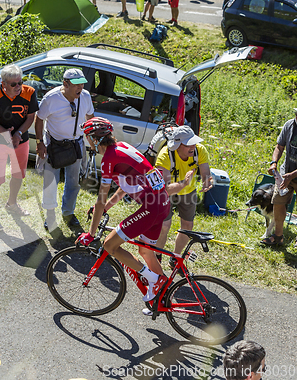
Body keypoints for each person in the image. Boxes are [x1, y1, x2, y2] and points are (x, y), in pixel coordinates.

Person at [76, 117, 170, 310]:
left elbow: (100, 199)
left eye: (88, 137)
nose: (87, 141)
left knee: (109, 244)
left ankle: (154, 280)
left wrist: (91, 234)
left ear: (95, 139)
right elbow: (126, 186)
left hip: (151, 208)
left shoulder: (108, 159)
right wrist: (107, 208)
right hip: (163, 203)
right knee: (145, 251)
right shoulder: (122, 147)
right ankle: (163, 299)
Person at [35, 68, 94, 231]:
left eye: (82, 84)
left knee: (73, 182)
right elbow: (39, 119)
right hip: (54, 145)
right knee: (50, 182)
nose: (80, 88)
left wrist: (92, 139)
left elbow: (90, 118)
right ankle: (50, 216)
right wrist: (40, 142)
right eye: (76, 85)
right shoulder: (51, 98)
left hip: (76, 144)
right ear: (65, 84)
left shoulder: (86, 97)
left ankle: (68, 213)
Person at [0, 64, 37, 232]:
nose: (18, 87)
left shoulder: (29, 92)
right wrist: (5, 133)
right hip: (0, 140)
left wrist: (18, 133)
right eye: (13, 84)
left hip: (21, 140)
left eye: (20, 82)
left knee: (18, 174)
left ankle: (12, 204)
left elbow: (30, 117)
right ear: (3, 83)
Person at [153, 125, 212, 270]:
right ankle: (156, 257)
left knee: (187, 227)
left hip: (188, 191)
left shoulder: (199, 150)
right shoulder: (165, 156)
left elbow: (205, 172)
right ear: (177, 144)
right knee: (164, 226)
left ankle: (175, 258)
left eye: (193, 142)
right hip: (168, 192)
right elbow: (165, 188)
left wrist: (206, 181)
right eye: (188, 143)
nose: (193, 146)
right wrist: (183, 182)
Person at [262, 100, 297, 250]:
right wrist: (274, 163)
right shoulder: (289, 125)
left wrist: (293, 175)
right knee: (278, 201)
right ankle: (278, 236)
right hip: (285, 173)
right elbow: (279, 146)